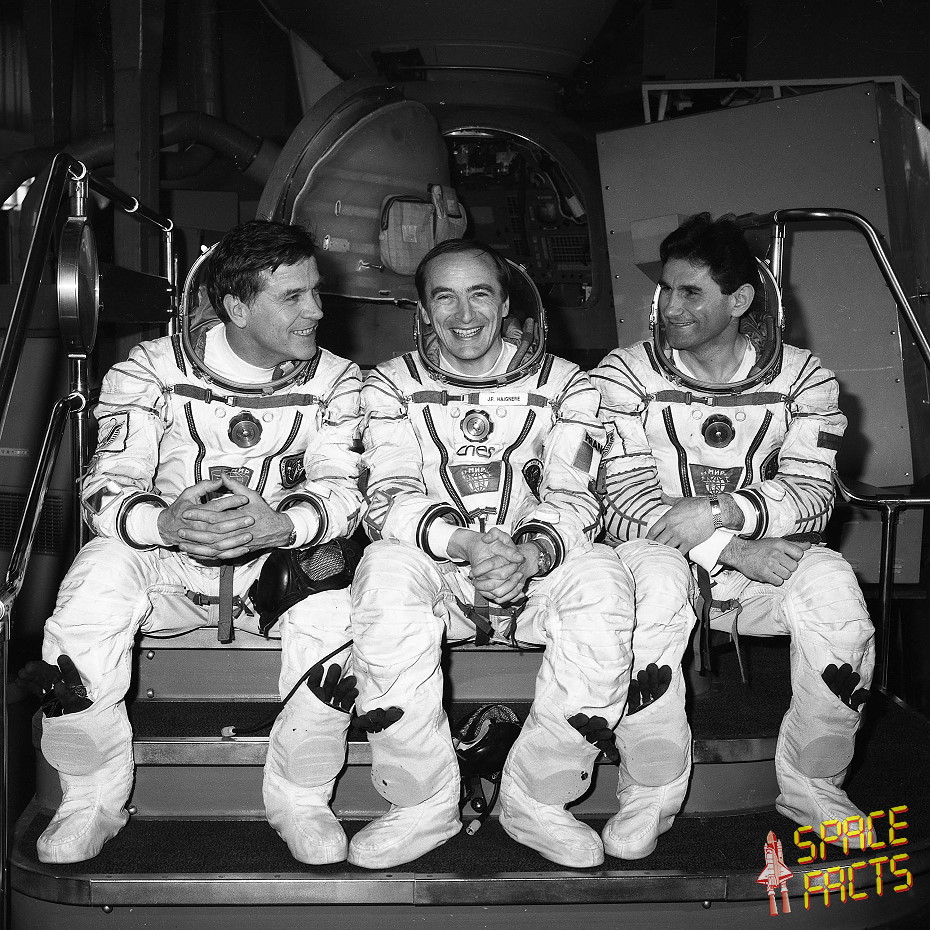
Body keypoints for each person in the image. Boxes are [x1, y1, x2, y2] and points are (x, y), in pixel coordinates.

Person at [17, 220, 364, 866]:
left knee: (339, 613)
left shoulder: (338, 381)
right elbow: (106, 486)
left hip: (275, 571)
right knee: (95, 582)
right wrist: (168, 525)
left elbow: (344, 488)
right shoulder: (150, 370)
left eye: (316, 291)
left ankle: (302, 799)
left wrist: (281, 526)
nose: (317, 310)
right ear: (237, 306)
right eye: (294, 296)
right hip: (168, 568)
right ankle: (90, 801)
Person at [591, 212, 875, 859]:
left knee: (836, 596)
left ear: (740, 299)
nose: (670, 308)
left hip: (756, 564)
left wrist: (723, 510)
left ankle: (813, 784)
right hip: (660, 558)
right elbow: (623, 501)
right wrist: (732, 546)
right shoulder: (624, 375)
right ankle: (650, 790)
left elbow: (813, 494)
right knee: (655, 598)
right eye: (667, 290)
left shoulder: (802, 378)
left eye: (691, 292)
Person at [348, 238, 634, 870]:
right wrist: (467, 544)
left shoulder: (568, 385)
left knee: (603, 579)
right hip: (442, 570)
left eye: (480, 294)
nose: (464, 314)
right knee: (384, 572)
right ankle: (420, 804)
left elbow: (575, 496)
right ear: (423, 310)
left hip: (533, 571)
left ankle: (539, 799)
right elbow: (388, 496)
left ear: (506, 304)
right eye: (444, 297)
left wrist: (528, 555)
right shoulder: (388, 386)